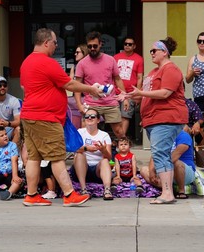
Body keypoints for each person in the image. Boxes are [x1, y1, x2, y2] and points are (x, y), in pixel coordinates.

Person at [19, 28, 101, 207]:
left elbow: (26, 88)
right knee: (57, 157)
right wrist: (92, 89)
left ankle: (31, 195)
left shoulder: (26, 62)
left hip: (29, 116)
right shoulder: (47, 62)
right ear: (46, 42)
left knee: (34, 157)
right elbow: (69, 84)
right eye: (55, 43)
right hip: (46, 118)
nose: (56, 46)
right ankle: (69, 194)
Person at [125, 36, 188, 204]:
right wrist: (127, 96)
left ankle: (167, 193)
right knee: (159, 153)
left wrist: (141, 94)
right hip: (153, 119)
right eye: (150, 51)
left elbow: (165, 93)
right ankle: (167, 192)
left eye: (154, 50)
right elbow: (144, 96)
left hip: (167, 117)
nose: (151, 53)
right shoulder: (153, 73)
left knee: (161, 153)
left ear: (164, 52)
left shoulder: (171, 69)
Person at [74, 31, 126, 139]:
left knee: (119, 132)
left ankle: (124, 155)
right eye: (90, 46)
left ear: (100, 44)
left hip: (110, 102)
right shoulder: (82, 63)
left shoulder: (110, 60)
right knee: (86, 131)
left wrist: (125, 97)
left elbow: (118, 79)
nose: (92, 48)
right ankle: (86, 154)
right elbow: (77, 86)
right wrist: (79, 105)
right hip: (91, 103)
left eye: (95, 46)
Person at [70, 109, 113, 200]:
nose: (89, 118)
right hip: (81, 168)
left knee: (105, 160)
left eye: (93, 116)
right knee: (80, 154)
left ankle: (107, 190)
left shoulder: (104, 135)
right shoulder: (79, 132)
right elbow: (73, 148)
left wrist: (103, 150)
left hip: (98, 170)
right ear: (84, 120)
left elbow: (109, 157)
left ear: (98, 120)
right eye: (87, 116)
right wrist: (86, 148)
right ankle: (83, 189)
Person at [140, 130, 196, 199]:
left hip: (184, 172)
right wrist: (151, 171)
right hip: (166, 170)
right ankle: (166, 188)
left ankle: (181, 191)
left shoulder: (184, 136)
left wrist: (157, 167)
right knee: (144, 170)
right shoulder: (163, 137)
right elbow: (155, 154)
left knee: (176, 163)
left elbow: (175, 156)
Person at [113, 36, 144, 136]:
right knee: (114, 116)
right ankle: (119, 137)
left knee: (125, 115)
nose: (127, 46)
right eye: (125, 44)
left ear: (134, 46)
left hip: (130, 93)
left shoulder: (139, 59)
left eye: (130, 44)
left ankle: (121, 139)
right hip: (116, 92)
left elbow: (140, 78)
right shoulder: (116, 57)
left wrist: (138, 93)